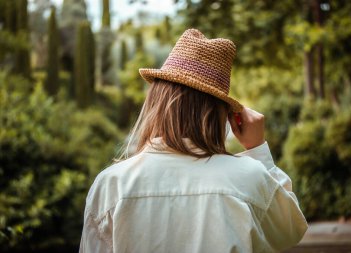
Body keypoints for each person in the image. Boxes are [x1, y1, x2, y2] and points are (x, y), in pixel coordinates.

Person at [79, 29, 308, 253]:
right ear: (221, 114)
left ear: (156, 101)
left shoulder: (112, 184)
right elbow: (290, 231)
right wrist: (257, 150)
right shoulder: (248, 177)